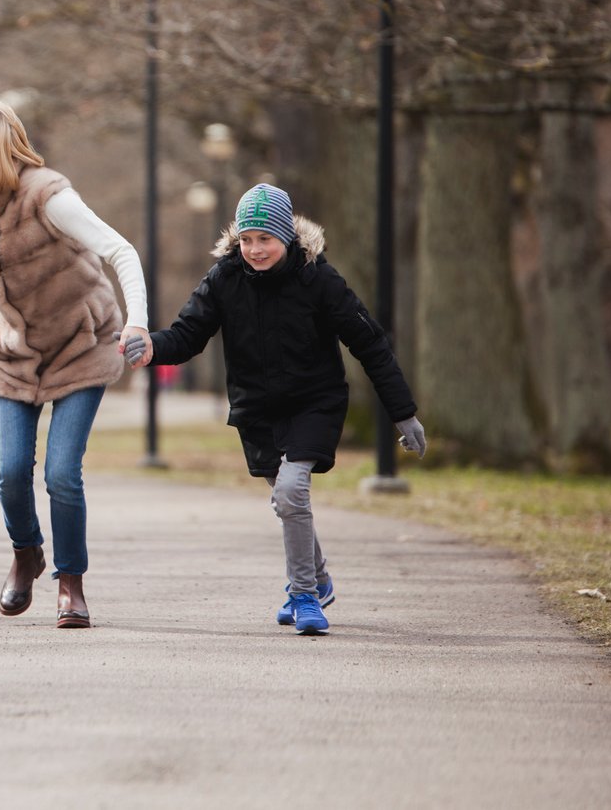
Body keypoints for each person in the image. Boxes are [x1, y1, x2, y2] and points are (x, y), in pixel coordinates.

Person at [142, 182, 427, 635]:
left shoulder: (319, 279)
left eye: (265, 240)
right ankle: (319, 578)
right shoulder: (224, 278)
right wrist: (149, 348)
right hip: (257, 409)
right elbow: (187, 335)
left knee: (293, 492)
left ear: (287, 238)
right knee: (284, 498)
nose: (254, 250)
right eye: (247, 240)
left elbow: (369, 343)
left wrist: (403, 412)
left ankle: (304, 595)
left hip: (314, 402)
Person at [0, 92, 150, 630]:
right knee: (9, 473)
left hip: (79, 346)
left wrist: (136, 320)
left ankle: (70, 584)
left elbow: (122, 252)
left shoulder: (48, 196)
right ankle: (27, 553)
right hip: (10, 354)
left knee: (63, 473)